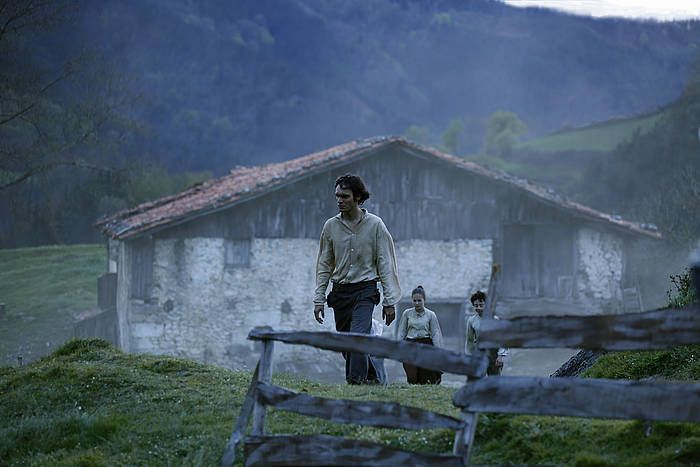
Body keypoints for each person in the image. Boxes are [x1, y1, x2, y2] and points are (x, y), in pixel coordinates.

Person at [313, 174, 401, 385]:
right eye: (337, 196)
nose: (339, 200)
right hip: (340, 292)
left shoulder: (376, 225)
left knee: (358, 338)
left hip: (365, 291)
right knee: (347, 343)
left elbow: (385, 264)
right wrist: (319, 298)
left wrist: (389, 301)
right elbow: (324, 265)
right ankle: (374, 375)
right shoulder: (330, 227)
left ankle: (356, 383)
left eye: (345, 196)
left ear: (358, 197)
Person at [397, 285, 443, 384]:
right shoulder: (407, 313)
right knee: (412, 376)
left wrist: (437, 350)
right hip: (410, 345)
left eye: (419, 300)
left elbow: (435, 333)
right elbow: (402, 331)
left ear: (424, 300)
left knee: (426, 378)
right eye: (414, 301)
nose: (417, 303)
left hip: (425, 344)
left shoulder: (431, 315)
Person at [465, 290, 507, 376]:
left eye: (481, 305)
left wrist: (500, 356)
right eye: (476, 305)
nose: (479, 308)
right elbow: (469, 341)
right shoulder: (472, 320)